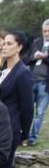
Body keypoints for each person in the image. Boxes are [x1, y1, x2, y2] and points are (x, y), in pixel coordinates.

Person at [0, 30, 34, 168]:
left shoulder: (23, 73)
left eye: (9, 43)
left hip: (11, 128)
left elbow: (27, 107)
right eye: (4, 43)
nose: (4, 46)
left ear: (19, 47)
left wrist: (24, 134)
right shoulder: (4, 71)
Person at [26, 18, 49, 146]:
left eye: (48, 31)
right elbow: (27, 59)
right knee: (28, 109)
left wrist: (45, 57)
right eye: (44, 31)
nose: (46, 34)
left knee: (40, 112)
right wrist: (34, 57)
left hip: (45, 84)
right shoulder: (37, 42)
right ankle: (24, 135)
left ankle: (32, 138)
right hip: (32, 80)